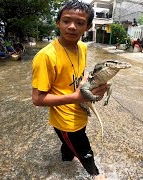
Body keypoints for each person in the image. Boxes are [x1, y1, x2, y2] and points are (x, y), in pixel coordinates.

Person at [31, 1, 108, 179]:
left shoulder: (82, 47)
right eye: (66, 21)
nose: (72, 27)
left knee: (69, 148)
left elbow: (79, 75)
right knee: (85, 152)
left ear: (87, 27)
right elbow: (37, 99)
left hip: (79, 112)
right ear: (58, 22)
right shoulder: (46, 56)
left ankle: (64, 167)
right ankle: (96, 176)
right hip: (66, 121)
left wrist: (92, 86)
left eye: (80, 23)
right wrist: (76, 97)